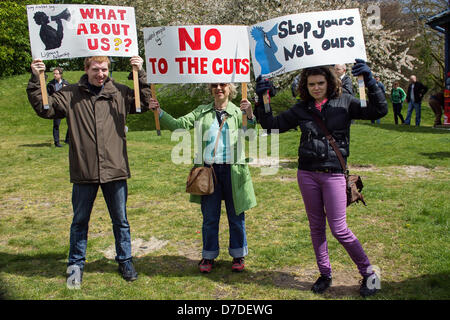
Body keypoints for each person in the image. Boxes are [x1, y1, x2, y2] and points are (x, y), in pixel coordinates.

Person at [255, 59, 387, 297]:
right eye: (311, 84)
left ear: (329, 82)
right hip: (306, 174)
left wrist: (369, 80)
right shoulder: (301, 108)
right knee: (316, 227)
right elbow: (271, 125)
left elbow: (378, 110)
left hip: (333, 173)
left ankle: (369, 274)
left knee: (339, 228)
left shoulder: (344, 102)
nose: (316, 87)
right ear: (305, 85)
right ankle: (325, 274)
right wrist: (264, 97)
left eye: (321, 83)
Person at [27, 55, 152, 287]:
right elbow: (44, 108)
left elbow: (144, 103)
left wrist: (139, 72)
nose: (100, 74)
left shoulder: (120, 92)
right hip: (84, 171)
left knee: (121, 220)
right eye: (95, 69)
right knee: (80, 221)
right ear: (86, 69)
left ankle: (125, 260)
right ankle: (76, 265)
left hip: (114, 169)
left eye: (104, 69)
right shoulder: (70, 94)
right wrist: (36, 78)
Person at [149, 83, 257, 273]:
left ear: (230, 88)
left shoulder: (239, 111)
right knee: (209, 218)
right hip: (209, 172)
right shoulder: (201, 111)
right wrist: (159, 111)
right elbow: (178, 126)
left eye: (223, 84)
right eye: (214, 85)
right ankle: (208, 256)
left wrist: (250, 115)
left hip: (234, 172)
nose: (218, 88)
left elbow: (251, 137)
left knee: (236, 216)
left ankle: (238, 255)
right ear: (210, 89)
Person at [47, 67, 69, 147]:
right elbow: (48, 95)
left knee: (70, 123)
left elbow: (69, 94)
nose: (54, 75)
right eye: (54, 74)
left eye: (56, 73)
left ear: (60, 74)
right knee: (56, 125)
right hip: (56, 107)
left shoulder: (66, 83)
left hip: (65, 106)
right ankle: (57, 142)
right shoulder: (50, 84)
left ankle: (68, 140)